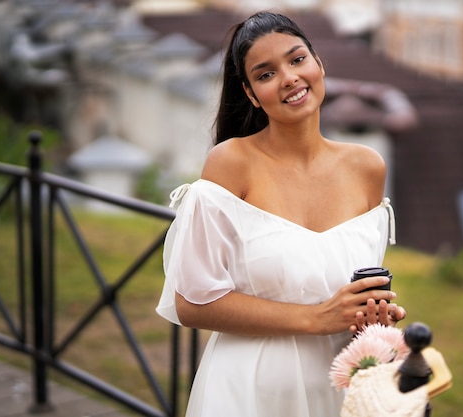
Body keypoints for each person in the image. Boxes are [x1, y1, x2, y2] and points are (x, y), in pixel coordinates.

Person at [156, 11, 406, 417]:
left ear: (318, 63)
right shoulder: (231, 163)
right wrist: (317, 318)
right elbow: (191, 302)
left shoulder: (367, 167)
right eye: (266, 74)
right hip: (252, 389)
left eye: (296, 59)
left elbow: (349, 288)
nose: (289, 77)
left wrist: (373, 315)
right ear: (252, 94)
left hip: (340, 387)